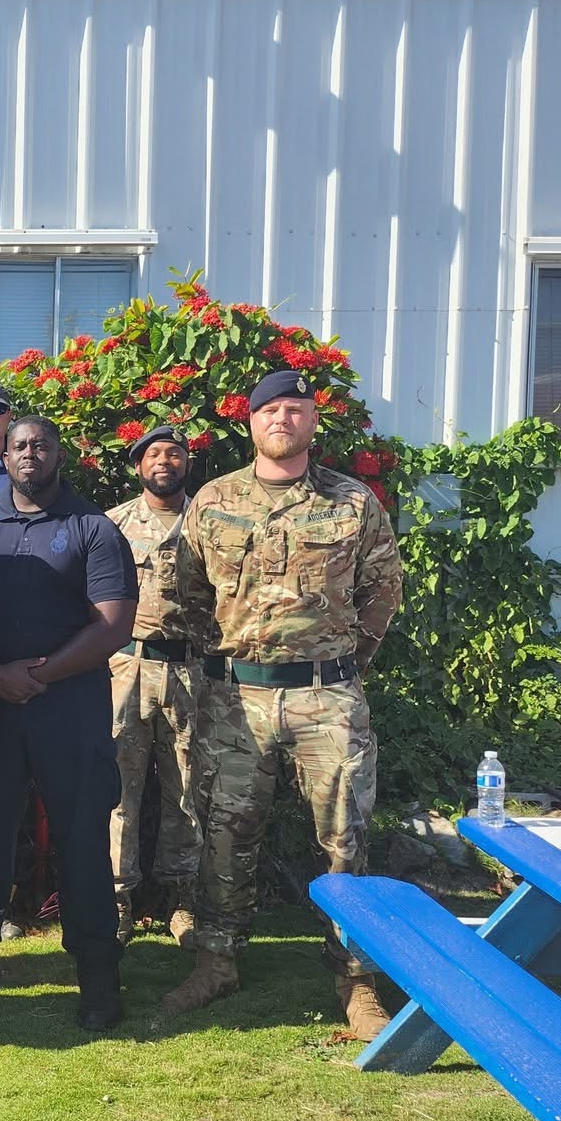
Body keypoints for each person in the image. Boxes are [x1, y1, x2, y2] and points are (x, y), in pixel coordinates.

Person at [165, 370, 403, 1039]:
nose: (282, 419)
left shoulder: (351, 503)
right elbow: (186, 595)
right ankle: (217, 962)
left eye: (295, 409)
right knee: (225, 832)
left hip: (327, 697)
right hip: (236, 698)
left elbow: (383, 589)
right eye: (269, 409)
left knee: (343, 838)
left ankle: (356, 980)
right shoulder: (213, 500)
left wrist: (347, 662)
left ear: (311, 423)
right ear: (250, 422)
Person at [0, 417, 136, 1030]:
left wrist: (40, 675)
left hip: (70, 707)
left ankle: (97, 971)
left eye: (41, 446)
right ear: (3, 454)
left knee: (81, 837)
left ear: (61, 454)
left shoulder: (93, 528)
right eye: (19, 445)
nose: (29, 454)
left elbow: (113, 625)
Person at [105, 424, 200, 948]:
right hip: (126, 669)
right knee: (119, 792)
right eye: (152, 454)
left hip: (192, 672)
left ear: (187, 463)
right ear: (138, 465)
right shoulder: (113, 524)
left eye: (174, 453)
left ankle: (183, 904)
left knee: (187, 790)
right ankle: (116, 902)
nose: (163, 461)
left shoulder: (210, 523)